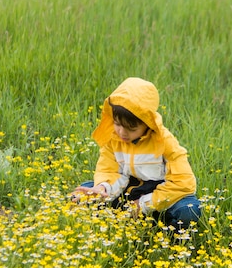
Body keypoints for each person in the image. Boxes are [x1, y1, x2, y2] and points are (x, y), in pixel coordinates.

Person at [71, 77, 201, 230]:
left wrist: (144, 204)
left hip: (160, 196)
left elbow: (183, 183)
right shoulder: (113, 138)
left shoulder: (165, 141)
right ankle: (114, 221)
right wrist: (101, 189)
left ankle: (167, 237)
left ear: (148, 123)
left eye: (131, 129)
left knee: (189, 209)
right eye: (117, 124)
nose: (121, 132)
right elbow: (109, 170)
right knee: (83, 192)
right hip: (127, 192)